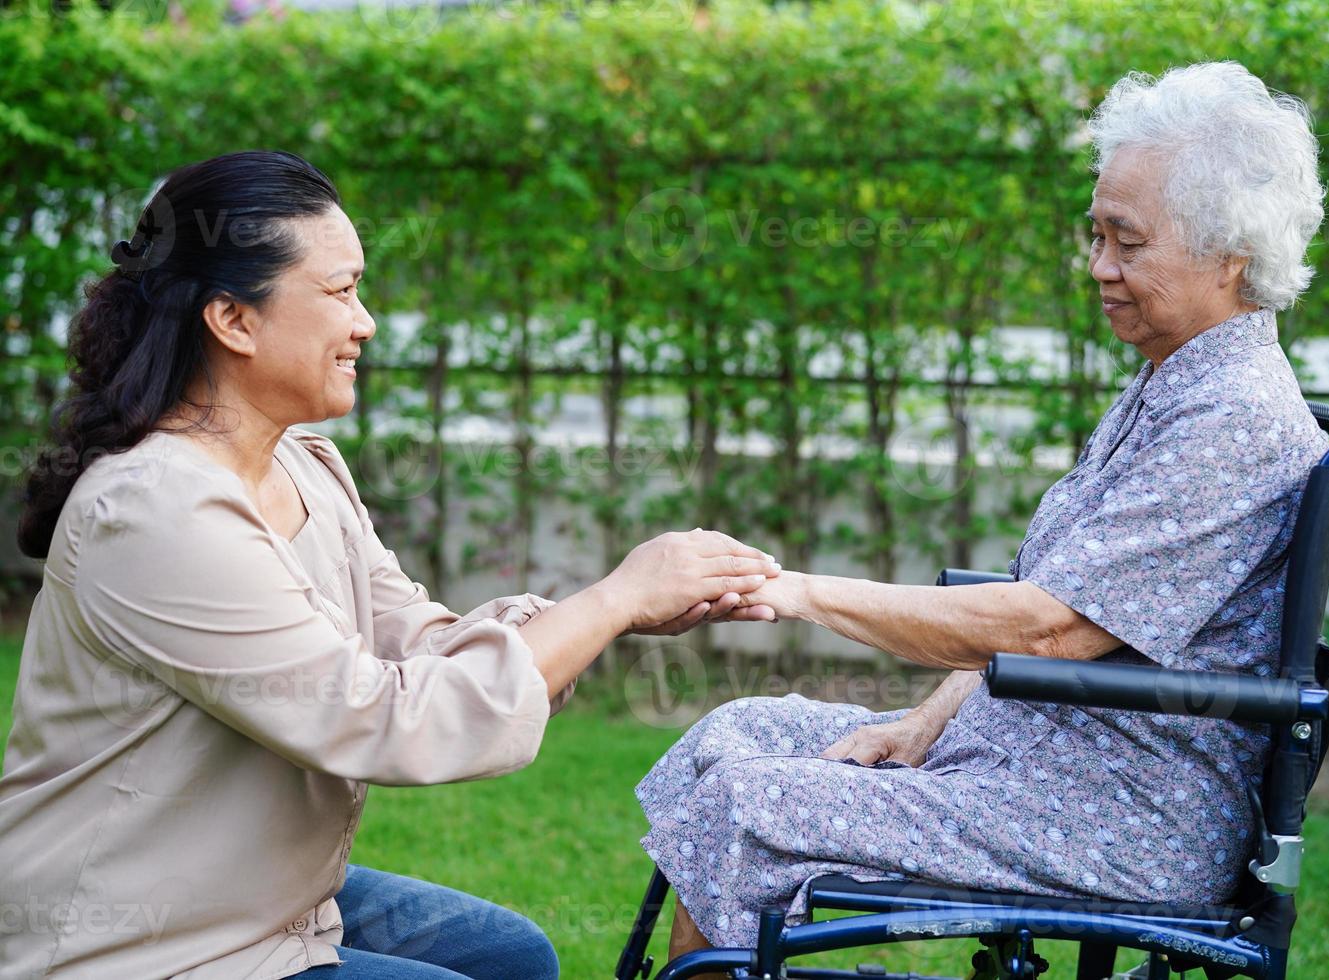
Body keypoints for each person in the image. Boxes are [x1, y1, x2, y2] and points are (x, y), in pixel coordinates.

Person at [0, 151, 779, 979]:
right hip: (134, 941)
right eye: (340, 293)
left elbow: (417, 642)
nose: (366, 321)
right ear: (233, 319)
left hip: (266, 899)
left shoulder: (303, 463)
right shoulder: (158, 510)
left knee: (513, 955)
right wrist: (615, 600)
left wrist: (601, 615)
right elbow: (383, 719)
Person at [636, 61, 1329, 972]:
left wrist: (795, 591)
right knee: (733, 736)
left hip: (1121, 813)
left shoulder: (1232, 414)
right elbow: (1060, 606)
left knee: (746, 804)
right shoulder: (1174, 380)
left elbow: (1049, 628)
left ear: (1228, 254)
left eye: (1126, 242)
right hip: (1036, 758)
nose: (1099, 268)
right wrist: (928, 721)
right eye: (1095, 235)